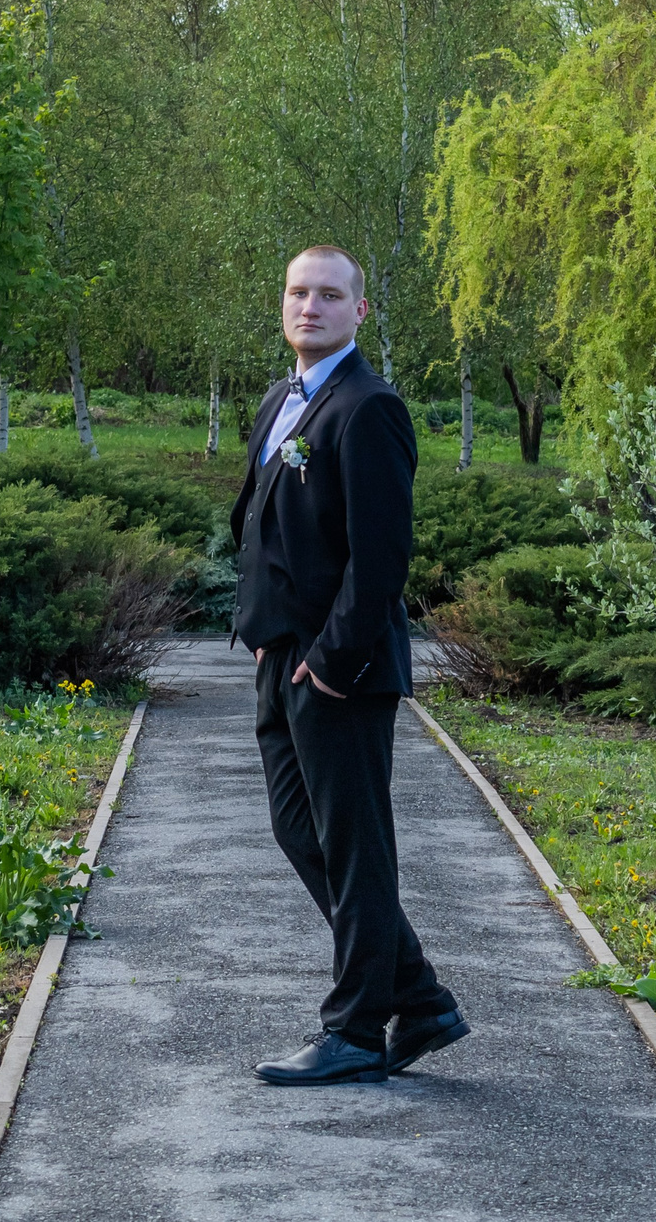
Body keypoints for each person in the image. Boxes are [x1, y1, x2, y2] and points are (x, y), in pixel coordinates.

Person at [233, 245, 468, 1086]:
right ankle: (421, 998)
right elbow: (263, 520)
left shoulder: (370, 407)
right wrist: (262, 628)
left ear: (359, 311)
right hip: (280, 655)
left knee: (355, 846)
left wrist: (332, 661)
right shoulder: (282, 398)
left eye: (330, 295)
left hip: (339, 668)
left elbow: (381, 557)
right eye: (298, 291)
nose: (311, 306)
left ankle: (358, 1028)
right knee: (302, 831)